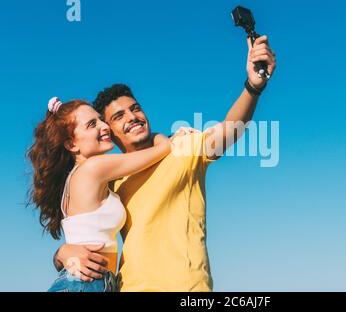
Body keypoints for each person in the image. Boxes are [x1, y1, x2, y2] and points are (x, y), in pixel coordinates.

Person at [53, 35, 277, 291]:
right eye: (118, 116)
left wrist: (253, 87)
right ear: (110, 132)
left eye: (135, 108)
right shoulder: (111, 180)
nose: (133, 117)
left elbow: (230, 130)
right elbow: (87, 231)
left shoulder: (183, 147)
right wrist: (61, 253)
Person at [28, 98, 188, 291]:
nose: (105, 126)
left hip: (89, 283)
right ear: (72, 144)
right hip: (85, 284)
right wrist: (170, 137)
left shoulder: (83, 177)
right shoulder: (95, 167)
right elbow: (162, 150)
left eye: (100, 120)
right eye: (92, 124)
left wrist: (60, 254)